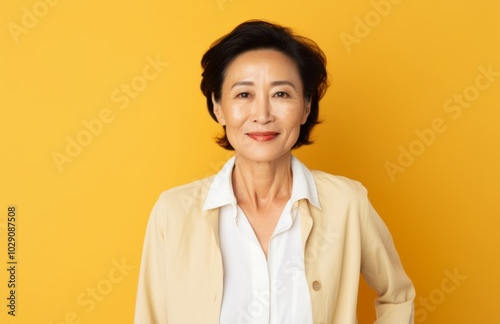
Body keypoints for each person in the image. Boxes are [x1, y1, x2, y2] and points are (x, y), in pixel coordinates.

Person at [134, 20, 415, 324]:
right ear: (218, 107)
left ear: (306, 106)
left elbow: (398, 295)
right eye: (244, 95)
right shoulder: (173, 212)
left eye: (281, 94)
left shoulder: (347, 203)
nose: (263, 115)